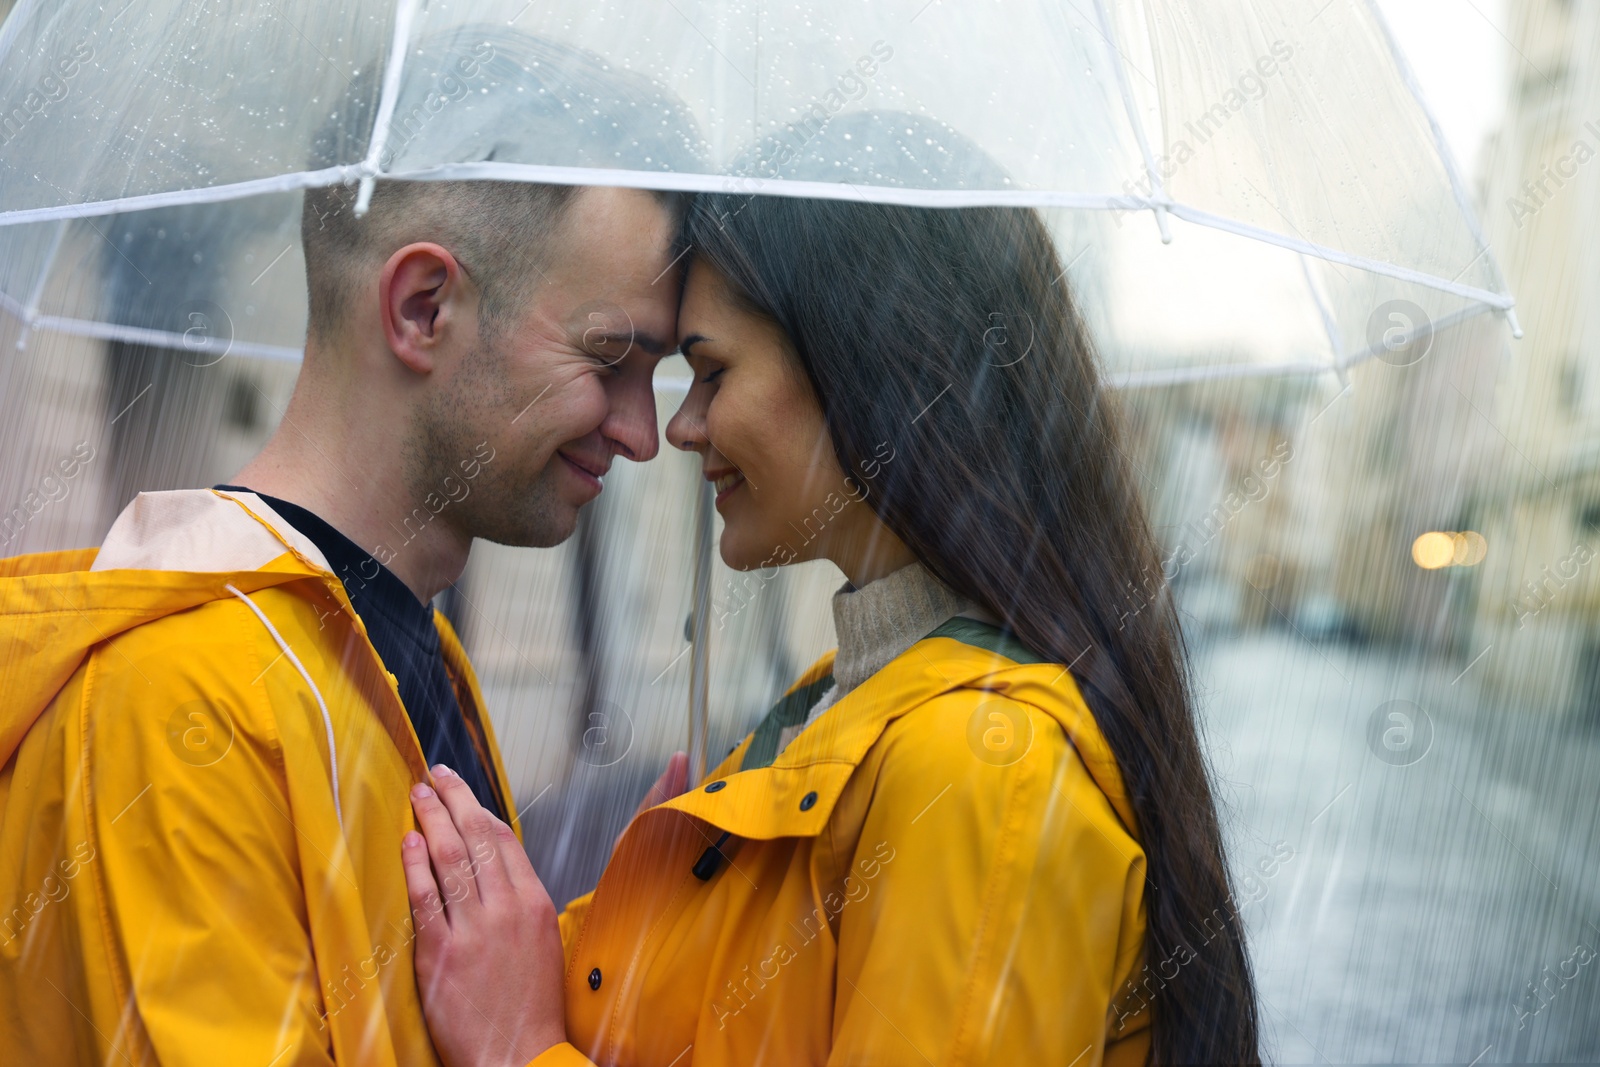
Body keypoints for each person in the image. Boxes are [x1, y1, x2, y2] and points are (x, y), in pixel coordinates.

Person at [398, 113, 1262, 1065]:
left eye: (712, 371)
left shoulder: (977, 765)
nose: (678, 430)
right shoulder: (850, 701)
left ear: (865, 367)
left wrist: (516, 1050)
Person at [0, 30, 700, 1064]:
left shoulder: (397, 650)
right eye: (609, 356)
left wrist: (603, 945)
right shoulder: (175, 701)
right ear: (423, 308)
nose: (645, 432)